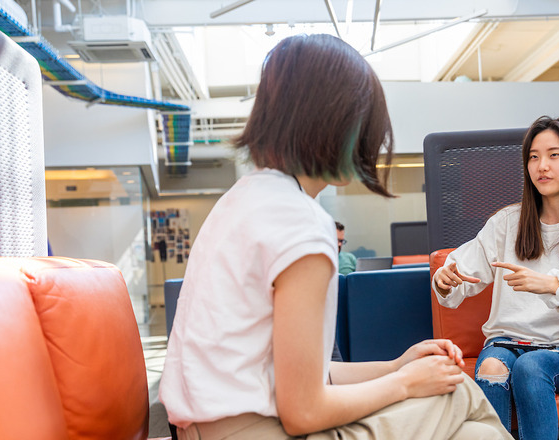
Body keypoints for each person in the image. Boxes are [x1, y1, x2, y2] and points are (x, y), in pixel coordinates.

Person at [159, 34, 512, 440]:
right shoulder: (301, 222)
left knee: (474, 435)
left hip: (209, 429)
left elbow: (293, 375)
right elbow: (304, 411)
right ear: (335, 123)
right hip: (258, 431)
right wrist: (407, 384)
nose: (373, 145)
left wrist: (397, 366)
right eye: (367, 129)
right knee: (460, 394)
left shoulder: (244, 200)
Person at [432, 116, 559, 440]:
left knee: (531, 367)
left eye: (554, 155)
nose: (542, 165)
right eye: (533, 156)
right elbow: (460, 271)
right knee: (492, 367)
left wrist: (554, 287)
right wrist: (445, 279)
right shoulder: (506, 223)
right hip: (508, 341)